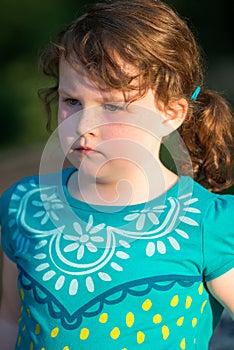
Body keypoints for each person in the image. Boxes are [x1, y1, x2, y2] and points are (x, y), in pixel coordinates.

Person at [0, 0, 234, 349]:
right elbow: (9, 318)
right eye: (72, 101)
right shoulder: (24, 206)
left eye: (112, 105)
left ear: (170, 114)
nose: (84, 125)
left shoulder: (207, 224)